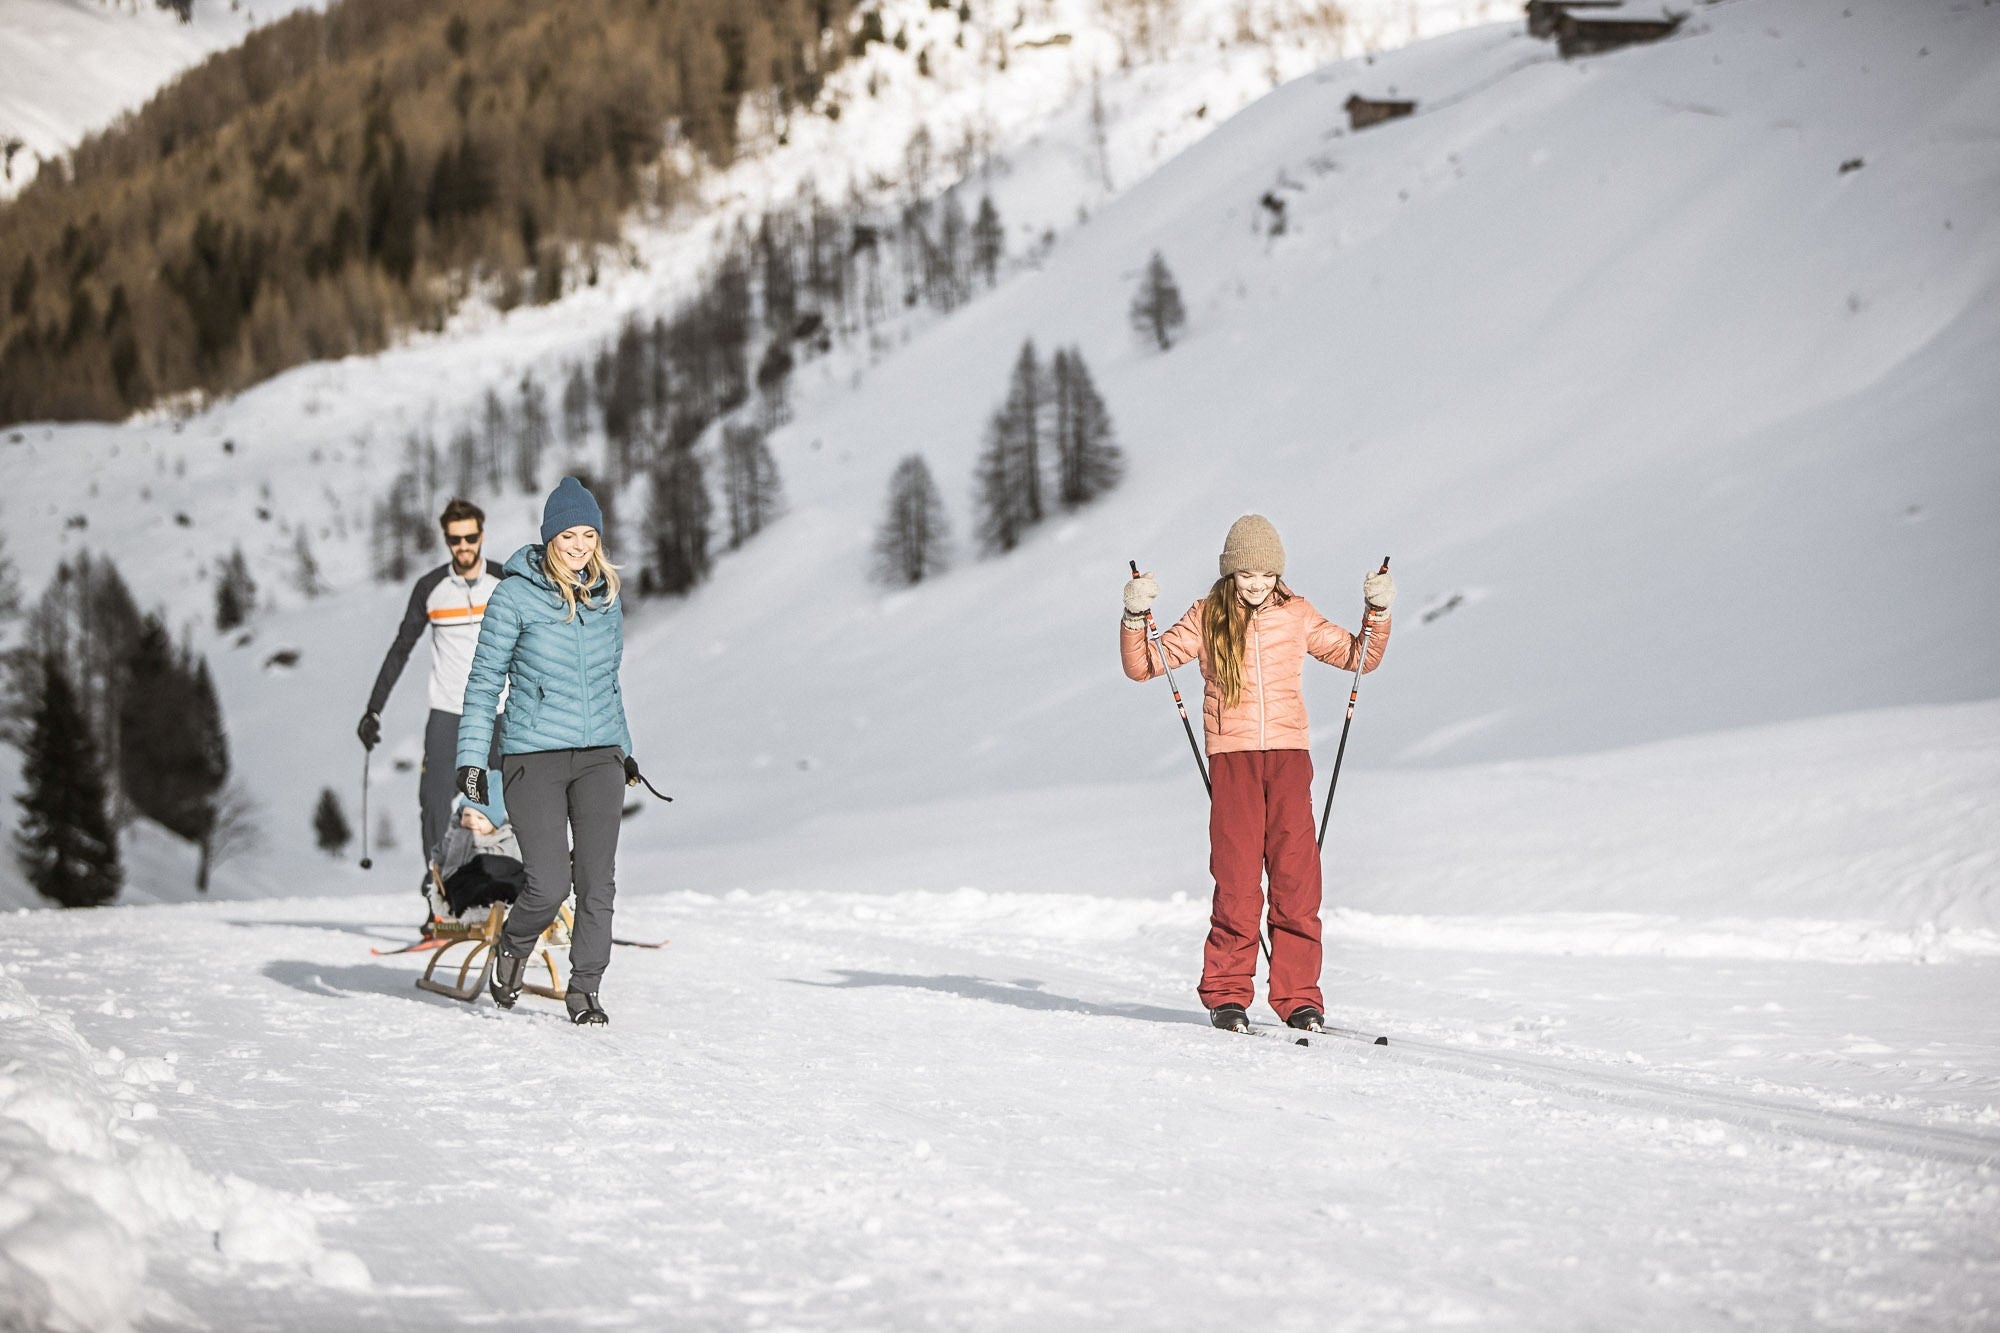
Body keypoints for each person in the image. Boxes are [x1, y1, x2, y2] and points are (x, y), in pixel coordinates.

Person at [1120, 514, 1394, 1034]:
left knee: (1297, 883)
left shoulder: (1296, 614)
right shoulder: (1205, 617)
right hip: (1233, 760)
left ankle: (1299, 999)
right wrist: (1136, 617)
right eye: (1246, 574)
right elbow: (1145, 665)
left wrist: (1377, 611)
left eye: (1266, 575)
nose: (1256, 584)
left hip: (1289, 759)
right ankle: (1227, 995)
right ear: (1229, 573)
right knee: (1238, 885)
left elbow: (1359, 658)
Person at [456, 477, 638, 1026]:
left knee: (597, 879)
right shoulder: (513, 595)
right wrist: (470, 760)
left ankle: (586, 990)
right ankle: (513, 945)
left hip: (599, 755)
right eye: (568, 535)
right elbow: (484, 682)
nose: (580, 546)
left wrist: (625, 751)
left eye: (589, 535)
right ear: (549, 538)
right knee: (550, 882)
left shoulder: (606, 598)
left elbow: (610, 682)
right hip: (533, 756)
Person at [357, 498, 505, 918]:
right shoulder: (431, 588)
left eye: (471, 537)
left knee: (517, 800)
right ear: (446, 540)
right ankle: (440, 897)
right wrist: (374, 710)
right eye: (455, 539)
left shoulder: (504, 581)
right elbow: (402, 648)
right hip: (448, 712)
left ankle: (526, 897)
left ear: (481, 535)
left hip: (499, 711)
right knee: (435, 804)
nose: (464, 546)